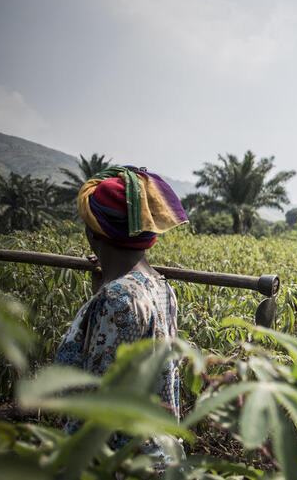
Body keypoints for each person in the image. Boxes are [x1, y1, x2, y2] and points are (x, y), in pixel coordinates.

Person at [54, 165, 188, 467]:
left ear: (92, 234)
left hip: (120, 465)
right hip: (161, 458)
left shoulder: (117, 299)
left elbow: (97, 408)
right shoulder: (162, 288)